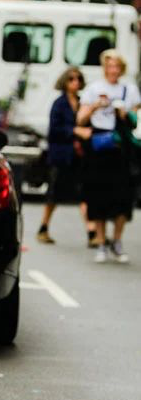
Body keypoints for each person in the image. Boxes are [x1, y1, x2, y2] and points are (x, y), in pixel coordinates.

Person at [77, 49, 141, 263]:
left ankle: (118, 240)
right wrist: (96, 105)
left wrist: (124, 113)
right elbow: (80, 120)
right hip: (100, 147)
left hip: (121, 149)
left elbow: (136, 121)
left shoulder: (129, 90)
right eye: (109, 66)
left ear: (121, 69)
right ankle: (102, 242)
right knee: (99, 195)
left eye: (116, 66)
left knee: (123, 196)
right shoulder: (94, 89)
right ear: (104, 67)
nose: (113, 70)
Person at [37, 67, 94, 245]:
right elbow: (54, 130)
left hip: (79, 155)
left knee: (84, 192)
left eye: (78, 79)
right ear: (65, 82)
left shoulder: (81, 102)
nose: (75, 82)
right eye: (71, 79)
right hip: (61, 155)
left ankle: (92, 232)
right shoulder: (59, 103)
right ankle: (43, 227)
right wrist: (75, 131)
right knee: (54, 193)